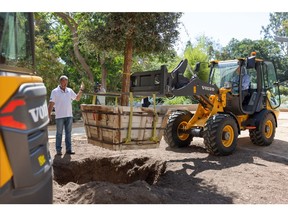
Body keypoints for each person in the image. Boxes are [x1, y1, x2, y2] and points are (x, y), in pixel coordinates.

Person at [48, 75, 84, 155]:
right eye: (64, 83)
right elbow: (51, 104)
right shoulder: (55, 91)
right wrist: (48, 115)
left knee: (68, 133)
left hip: (69, 116)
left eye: (66, 83)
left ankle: (69, 149)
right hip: (59, 116)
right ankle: (58, 150)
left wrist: (81, 89)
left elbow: (77, 98)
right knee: (59, 134)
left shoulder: (69, 90)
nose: (65, 85)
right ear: (60, 82)